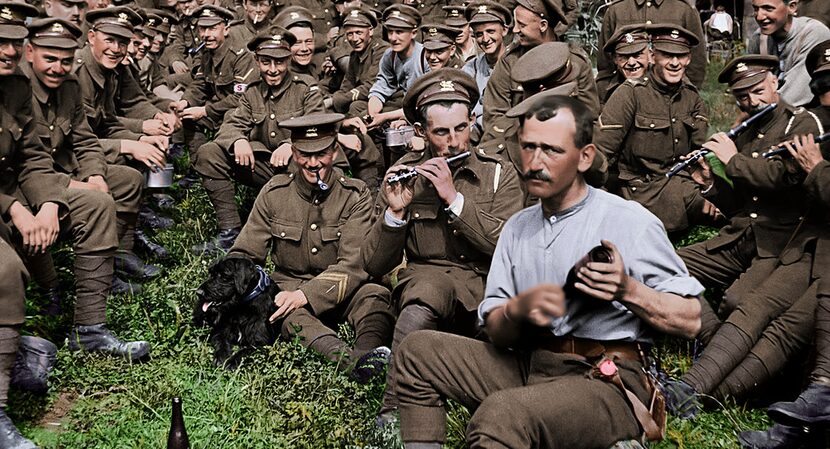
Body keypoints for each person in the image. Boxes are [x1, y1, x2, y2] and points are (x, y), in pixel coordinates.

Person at [392, 93, 703, 448]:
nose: (535, 162)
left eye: (551, 150)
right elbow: (495, 327)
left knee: (501, 414)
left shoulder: (627, 220)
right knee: (417, 351)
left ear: (584, 157)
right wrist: (517, 313)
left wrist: (627, 290)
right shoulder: (518, 227)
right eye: (528, 148)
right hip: (532, 364)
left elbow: (690, 319)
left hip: (604, 378)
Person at [361, 68, 524, 422]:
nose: (454, 142)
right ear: (420, 132)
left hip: (484, 288)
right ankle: (391, 414)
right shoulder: (404, 173)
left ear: (472, 122)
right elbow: (373, 265)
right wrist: (394, 213)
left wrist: (454, 199)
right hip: (427, 286)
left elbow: (507, 246)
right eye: (441, 132)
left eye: (461, 128)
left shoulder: (500, 174)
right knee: (425, 295)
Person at [0, 1, 150, 365]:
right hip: (13, 196)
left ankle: (89, 330)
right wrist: (20, 207)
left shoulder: (25, 87)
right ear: (31, 53)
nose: (59, 68)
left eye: (65, 61)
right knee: (10, 263)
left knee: (99, 202)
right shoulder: (21, 84)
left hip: (32, 185)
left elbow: (41, 154)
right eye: (50, 59)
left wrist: (58, 198)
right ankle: (48, 294)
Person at [673, 55, 823, 405]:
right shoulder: (746, 131)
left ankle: (718, 370)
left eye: (758, 91)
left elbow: (786, 181)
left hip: (780, 243)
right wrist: (709, 183)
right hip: (741, 236)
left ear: (776, 82)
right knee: (668, 263)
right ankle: (711, 345)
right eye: (743, 97)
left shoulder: (801, 124)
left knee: (738, 301)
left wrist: (731, 161)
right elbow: (739, 202)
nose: (752, 102)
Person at [226, 113, 395, 382]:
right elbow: (245, 253)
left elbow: (355, 263)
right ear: (293, 152)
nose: (313, 163)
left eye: (322, 153)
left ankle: (370, 354)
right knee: (285, 313)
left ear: (335, 150)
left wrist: (307, 294)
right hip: (288, 287)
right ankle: (351, 364)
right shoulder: (274, 193)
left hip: (343, 288)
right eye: (304, 154)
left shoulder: (355, 194)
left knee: (375, 296)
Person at [737, 39, 830, 449]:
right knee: (782, 317)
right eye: (825, 92)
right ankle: (695, 392)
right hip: (819, 248)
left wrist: (816, 170)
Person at [189, 27, 326, 254]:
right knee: (209, 153)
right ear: (256, 60)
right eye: (266, 62)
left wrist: (290, 145)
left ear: (289, 59)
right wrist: (237, 141)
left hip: (298, 169)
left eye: (280, 62)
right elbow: (232, 123)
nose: (273, 70)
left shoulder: (305, 87)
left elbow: (317, 125)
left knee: (302, 162)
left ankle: (295, 230)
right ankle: (230, 231)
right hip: (265, 167)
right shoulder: (251, 90)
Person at [594, 24, 718, 235]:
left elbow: (697, 153)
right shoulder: (630, 93)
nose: (675, 63)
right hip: (638, 194)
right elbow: (601, 152)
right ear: (652, 56)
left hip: (680, 188)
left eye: (682, 56)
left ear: (689, 59)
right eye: (667, 55)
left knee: (726, 213)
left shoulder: (692, 98)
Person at [480, 0, 596, 143]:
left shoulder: (576, 62)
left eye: (521, 25)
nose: (515, 30)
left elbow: (590, 116)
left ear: (543, 25)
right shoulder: (510, 61)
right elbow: (495, 115)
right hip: (518, 144)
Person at [169, 4, 257, 185]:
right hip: (220, 107)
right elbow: (200, 83)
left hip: (243, 110)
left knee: (228, 116)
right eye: (202, 28)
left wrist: (205, 111)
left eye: (212, 28)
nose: (206, 34)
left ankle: (227, 172)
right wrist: (185, 102)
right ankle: (199, 170)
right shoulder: (207, 52)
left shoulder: (241, 55)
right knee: (187, 117)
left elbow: (241, 97)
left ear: (226, 29)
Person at [597, 0, 707, 90]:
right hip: (626, 91)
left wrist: (690, 93)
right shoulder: (617, 10)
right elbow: (605, 63)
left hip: (671, 94)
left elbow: (696, 60)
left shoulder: (683, 9)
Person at [747, 0, 830, 107]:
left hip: (811, 114)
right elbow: (750, 87)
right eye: (756, 9)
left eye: (768, 9)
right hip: (772, 111)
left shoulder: (813, 33)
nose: (759, 17)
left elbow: (793, 96)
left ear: (792, 7)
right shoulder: (758, 39)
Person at [366, 4, 422, 129]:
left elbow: (424, 104)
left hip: (423, 112)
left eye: (399, 32)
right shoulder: (389, 55)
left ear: (413, 33)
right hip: (403, 106)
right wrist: (373, 113)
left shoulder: (425, 57)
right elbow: (382, 85)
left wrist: (385, 116)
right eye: (390, 32)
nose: (393, 38)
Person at [327, 6, 390, 117]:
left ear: (370, 31)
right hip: (366, 100)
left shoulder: (382, 51)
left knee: (355, 107)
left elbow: (371, 86)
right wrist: (334, 99)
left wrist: (335, 100)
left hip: (388, 101)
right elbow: (347, 86)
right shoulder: (354, 55)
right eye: (350, 34)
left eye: (359, 33)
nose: (354, 39)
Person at [461, 1, 511, 139]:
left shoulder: (517, 64)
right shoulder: (472, 68)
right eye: (479, 34)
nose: (485, 39)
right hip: (477, 135)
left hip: (507, 136)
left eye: (491, 31)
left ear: (504, 30)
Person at [595, 23, 651, 104]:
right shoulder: (602, 89)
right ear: (615, 59)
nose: (631, 63)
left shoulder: (663, 86)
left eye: (637, 55)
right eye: (624, 56)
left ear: (650, 54)